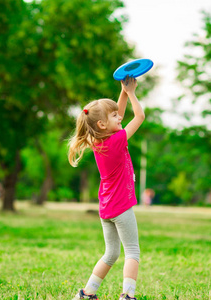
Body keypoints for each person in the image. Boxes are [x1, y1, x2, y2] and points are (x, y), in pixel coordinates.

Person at [68, 76, 144, 300]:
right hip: (122, 206)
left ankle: (86, 293)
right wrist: (131, 93)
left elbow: (117, 117)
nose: (119, 117)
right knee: (132, 252)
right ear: (102, 124)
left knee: (110, 254)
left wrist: (122, 92)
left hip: (107, 208)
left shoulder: (99, 140)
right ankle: (128, 296)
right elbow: (139, 116)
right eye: (113, 116)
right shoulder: (117, 140)